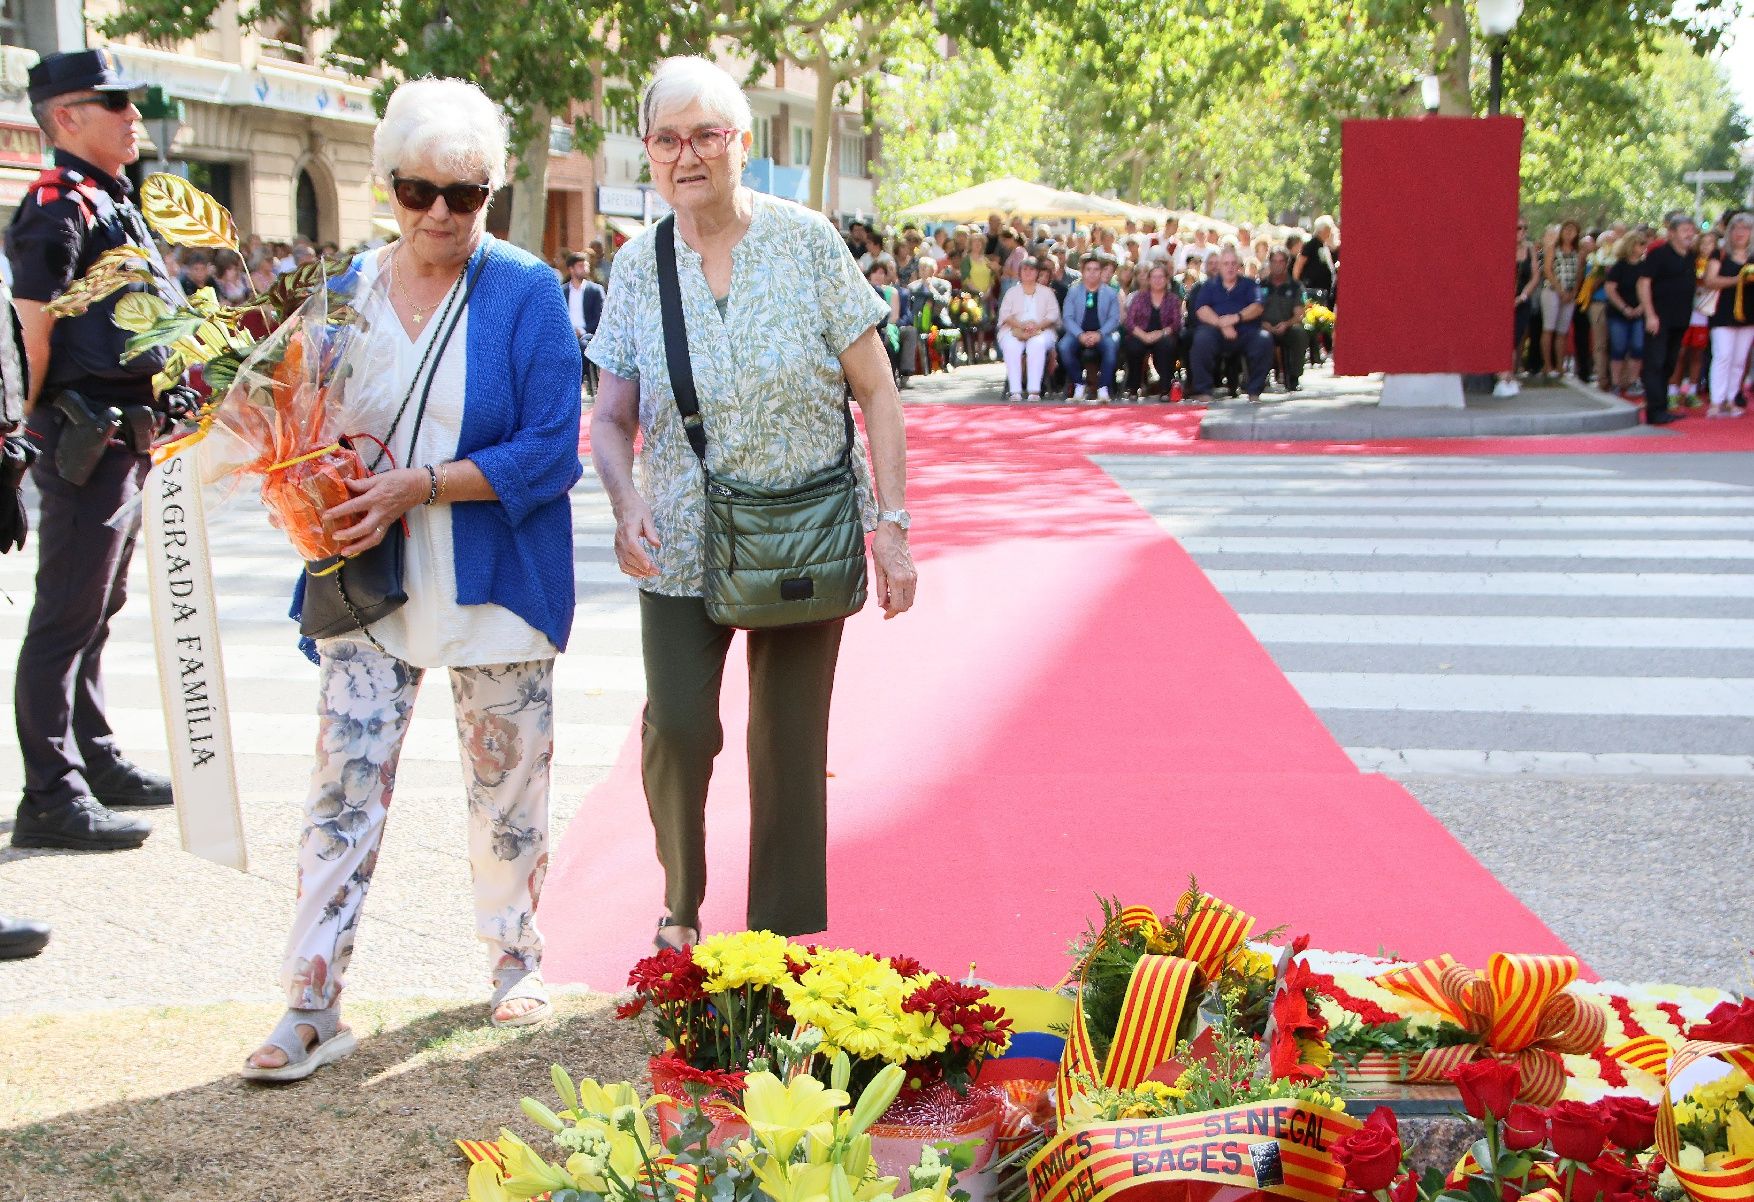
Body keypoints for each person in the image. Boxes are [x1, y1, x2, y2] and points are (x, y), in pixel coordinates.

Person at [243, 76, 584, 1081]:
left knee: (507, 789)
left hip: (495, 580)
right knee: (339, 788)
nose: (438, 212)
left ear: (493, 192)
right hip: (368, 582)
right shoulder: (342, 292)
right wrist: (310, 478)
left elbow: (550, 449)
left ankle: (514, 958)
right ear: (386, 184)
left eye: (463, 194)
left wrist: (418, 486)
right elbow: (296, 421)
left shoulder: (523, 290)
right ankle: (311, 1000)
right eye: (416, 190)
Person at [586, 56, 916, 953]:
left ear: (741, 143)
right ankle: (680, 906)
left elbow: (878, 392)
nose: (684, 154)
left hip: (806, 530)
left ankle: (773, 942)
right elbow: (610, 419)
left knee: (786, 745)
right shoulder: (635, 267)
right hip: (684, 541)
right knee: (680, 730)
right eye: (666, 139)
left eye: (704, 135)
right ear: (649, 153)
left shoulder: (808, 242)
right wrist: (623, 504)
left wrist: (892, 528)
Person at [8, 50, 187, 860]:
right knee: (63, 618)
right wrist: (12, 438)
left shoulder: (115, 199)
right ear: (66, 117)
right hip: (80, 439)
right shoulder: (55, 205)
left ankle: (95, 759)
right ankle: (51, 792)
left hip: (125, 437)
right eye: (115, 102)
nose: (134, 114)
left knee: (97, 611)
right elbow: (31, 332)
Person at [1636, 211, 1699, 425]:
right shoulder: (1658, 254)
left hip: (1680, 318)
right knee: (1655, 362)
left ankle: (1662, 406)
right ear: (1671, 233)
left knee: (1669, 363)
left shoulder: (1691, 255)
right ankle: (1654, 410)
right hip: (1659, 318)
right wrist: (1650, 314)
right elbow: (1643, 283)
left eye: (1691, 230)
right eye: (1684, 231)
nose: (1689, 234)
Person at [1188, 246, 1271, 404]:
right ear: (1219, 266)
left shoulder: (1250, 284)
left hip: (1246, 330)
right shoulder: (1209, 285)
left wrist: (1236, 318)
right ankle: (1204, 391)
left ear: (1239, 266)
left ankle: (1254, 391)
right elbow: (1201, 309)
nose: (1230, 267)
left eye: (1234, 263)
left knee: (1264, 339)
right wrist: (1221, 324)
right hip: (1215, 331)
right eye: (1226, 263)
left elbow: (1258, 307)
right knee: (1201, 339)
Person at [1702, 212, 1754, 418]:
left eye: (1746, 229)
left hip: (1749, 314)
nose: (1740, 233)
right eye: (1736, 228)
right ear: (1730, 231)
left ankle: (1732, 398)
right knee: (1722, 356)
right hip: (1723, 313)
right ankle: (1717, 400)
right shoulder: (1720, 253)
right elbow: (1710, 281)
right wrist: (1739, 279)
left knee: (1740, 360)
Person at [1057, 251, 1121, 402]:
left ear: (1101, 272)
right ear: (1083, 272)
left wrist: (1099, 333)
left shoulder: (1110, 293)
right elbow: (1067, 317)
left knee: (1111, 346)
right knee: (1064, 346)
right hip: (1078, 333)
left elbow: (1114, 319)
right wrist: (1080, 335)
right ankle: (1079, 384)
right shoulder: (1073, 291)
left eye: (1096, 270)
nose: (1092, 273)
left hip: (1103, 333)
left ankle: (1103, 388)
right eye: (1088, 270)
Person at [996, 255, 1058, 401]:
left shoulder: (1046, 292)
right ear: (1020, 272)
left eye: (1031, 269)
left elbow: (1053, 314)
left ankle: (1034, 391)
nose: (1028, 272)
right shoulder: (1011, 292)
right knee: (1011, 345)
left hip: (1042, 330)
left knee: (1036, 344)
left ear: (1037, 272)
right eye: (1025, 269)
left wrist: (1037, 326)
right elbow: (1005, 314)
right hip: (1014, 329)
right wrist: (1021, 326)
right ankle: (1015, 390)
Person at [1121, 262, 1182, 400]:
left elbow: (1177, 323)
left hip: (1163, 335)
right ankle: (1133, 388)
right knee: (1133, 347)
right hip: (1141, 334)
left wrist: (1160, 333)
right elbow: (1129, 322)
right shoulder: (1139, 298)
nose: (1158, 280)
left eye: (1161, 277)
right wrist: (1144, 336)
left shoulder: (1173, 299)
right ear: (1148, 280)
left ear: (1166, 279)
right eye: (1154, 277)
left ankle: (1165, 389)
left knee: (1166, 345)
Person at [1673, 229, 1718, 407]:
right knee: (1681, 352)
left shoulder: (1715, 264)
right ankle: (1673, 391)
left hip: (1703, 313)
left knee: (1697, 353)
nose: (1707, 246)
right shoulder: (1689, 262)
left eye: (1711, 243)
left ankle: (1692, 390)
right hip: (1686, 312)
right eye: (1704, 242)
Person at [1496, 218, 1539, 397]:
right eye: (1517, 228)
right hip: (1502, 301)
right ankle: (1504, 376)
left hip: (1522, 300)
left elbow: (1535, 275)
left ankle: (1509, 373)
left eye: (1523, 228)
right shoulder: (1500, 246)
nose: (1520, 231)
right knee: (1503, 339)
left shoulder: (1530, 249)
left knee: (1516, 337)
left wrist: (1522, 297)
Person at [1603, 232, 1647, 397]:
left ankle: (1633, 380)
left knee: (1638, 346)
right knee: (1618, 347)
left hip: (1639, 313)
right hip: (1618, 314)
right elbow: (1610, 289)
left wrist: (1642, 307)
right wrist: (1624, 308)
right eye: (1640, 244)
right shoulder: (1619, 267)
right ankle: (1616, 382)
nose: (1643, 247)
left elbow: (1649, 288)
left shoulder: (1645, 266)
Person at [1258, 249, 1308, 391]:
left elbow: (1299, 314)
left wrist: (1287, 324)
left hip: (1287, 327)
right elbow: (1254, 309)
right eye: (1274, 261)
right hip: (1264, 326)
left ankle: (1293, 377)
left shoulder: (1296, 286)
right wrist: (1263, 323)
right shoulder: (1260, 286)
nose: (1277, 265)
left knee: (1299, 333)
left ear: (1287, 263)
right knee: (1253, 334)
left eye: (1281, 261)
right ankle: (1256, 377)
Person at [1539, 221, 1582, 378]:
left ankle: (1559, 365)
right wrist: (1560, 290)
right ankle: (1547, 364)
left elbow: (1579, 273)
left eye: (1573, 230)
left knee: (1562, 331)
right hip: (1552, 291)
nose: (1569, 233)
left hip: (1570, 294)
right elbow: (1548, 271)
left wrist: (1573, 292)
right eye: (1567, 230)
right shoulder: (1553, 248)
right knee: (1549, 328)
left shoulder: (1578, 251)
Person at [564, 250, 605, 394]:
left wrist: (581, 331)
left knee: (583, 345)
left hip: (588, 335)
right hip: (566, 335)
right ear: (571, 269)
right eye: (580, 266)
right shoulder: (562, 292)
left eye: (586, 265)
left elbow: (600, 318)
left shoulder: (595, 291)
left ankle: (575, 386)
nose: (585, 268)